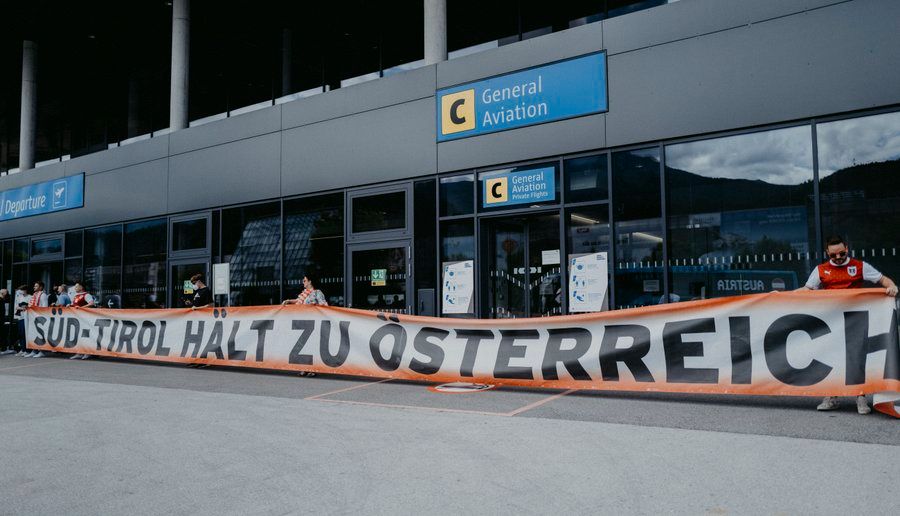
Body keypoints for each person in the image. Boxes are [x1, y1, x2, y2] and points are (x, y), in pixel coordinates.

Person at [797, 235, 898, 414]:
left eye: (841, 253)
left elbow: (884, 280)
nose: (838, 258)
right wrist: (780, 295)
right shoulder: (821, 269)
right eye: (833, 255)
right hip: (831, 320)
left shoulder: (860, 266)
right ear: (827, 253)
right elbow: (807, 290)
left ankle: (860, 398)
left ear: (847, 249)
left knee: (856, 357)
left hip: (855, 318)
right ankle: (831, 397)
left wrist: (892, 287)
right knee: (831, 357)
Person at [69, 282, 97, 360]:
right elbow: (73, 305)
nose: (75, 288)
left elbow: (91, 303)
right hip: (77, 318)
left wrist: (81, 308)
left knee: (85, 335)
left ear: (82, 287)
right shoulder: (75, 296)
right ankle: (79, 352)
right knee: (78, 335)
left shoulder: (86, 295)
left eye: (77, 286)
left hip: (85, 318)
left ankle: (87, 352)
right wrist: (69, 306)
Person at [25, 281, 49, 358]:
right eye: (34, 286)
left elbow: (45, 307)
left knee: (40, 334)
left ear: (41, 287)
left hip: (39, 317)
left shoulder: (43, 295)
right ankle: (34, 350)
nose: (34, 287)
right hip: (33, 317)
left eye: (36, 286)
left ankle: (41, 351)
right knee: (33, 334)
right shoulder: (34, 295)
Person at [13, 285, 30, 356]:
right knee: (20, 334)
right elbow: (16, 307)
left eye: (22, 290)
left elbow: (29, 306)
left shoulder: (30, 297)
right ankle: (22, 349)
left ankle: (26, 350)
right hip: (20, 317)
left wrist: (23, 308)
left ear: (26, 290)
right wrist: (22, 308)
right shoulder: (20, 297)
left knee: (24, 333)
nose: (21, 292)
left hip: (26, 317)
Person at [0, 289, 14, 355]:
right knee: (2, 334)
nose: (8, 294)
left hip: (2, 320)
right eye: (6, 292)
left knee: (2, 334)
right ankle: (3, 349)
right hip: (1, 320)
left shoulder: (2, 300)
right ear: (3, 293)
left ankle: (3, 348)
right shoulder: (1, 300)